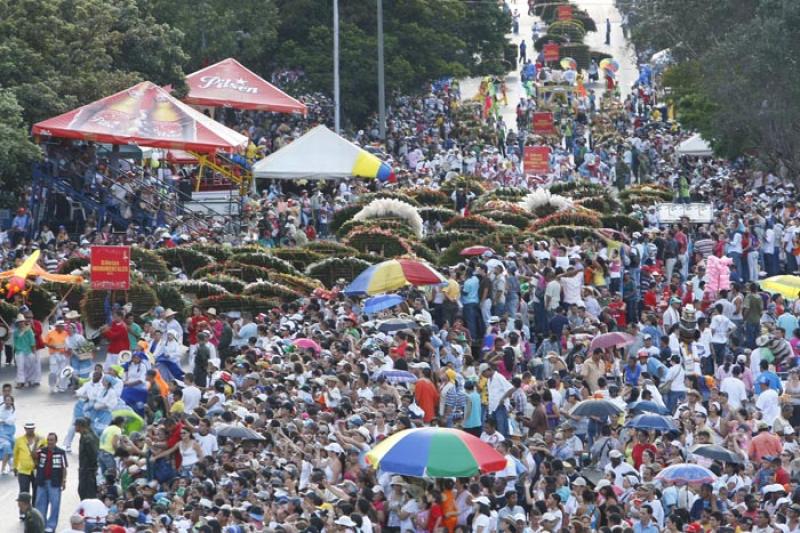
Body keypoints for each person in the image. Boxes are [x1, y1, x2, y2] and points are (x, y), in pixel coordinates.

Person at [33, 432, 67, 533]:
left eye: (51, 440)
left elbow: (64, 468)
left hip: (55, 483)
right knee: (40, 504)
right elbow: (33, 455)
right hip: (42, 482)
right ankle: (42, 524)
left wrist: (63, 481)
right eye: (48, 440)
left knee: (55, 505)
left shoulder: (61, 452)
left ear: (56, 441)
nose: (49, 442)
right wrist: (36, 443)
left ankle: (51, 526)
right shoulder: (42, 451)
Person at [13, 422, 46, 505]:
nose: (30, 430)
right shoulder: (19, 440)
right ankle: (24, 513)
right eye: (28, 428)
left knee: (37, 491)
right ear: (25, 429)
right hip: (23, 470)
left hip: (36, 469)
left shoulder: (41, 439)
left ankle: (34, 512)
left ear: (34, 428)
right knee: (24, 493)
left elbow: (45, 453)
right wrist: (15, 467)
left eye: (32, 428)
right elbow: (15, 454)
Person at [73, 418, 98, 500]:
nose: (75, 427)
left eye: (76, 425)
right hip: (84, 469)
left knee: (87, 493)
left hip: (88, 471)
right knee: (82, 491)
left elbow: (93, 455)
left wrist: (91, 469)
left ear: (80, 426)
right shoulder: (84, 436)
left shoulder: (88, 438)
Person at [13, 314, 40, 388]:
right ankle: (20, 381)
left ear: (24, 322)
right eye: (19, 322)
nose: (21, 323)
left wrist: (34, 353)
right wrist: (14, 354)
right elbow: (14, 343)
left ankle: (29, 379)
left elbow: (32, 342)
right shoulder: (15, 332)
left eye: (22, 321)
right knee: (20, 367)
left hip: (28, 351)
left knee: (30, 365)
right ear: (17, 323)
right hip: (19, 351)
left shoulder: (29, 331)